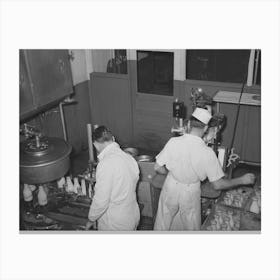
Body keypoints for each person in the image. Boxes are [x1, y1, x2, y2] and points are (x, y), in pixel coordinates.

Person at [153, 108, 256, 231]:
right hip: (189, 191)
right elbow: (218, 184)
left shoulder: (173, 142)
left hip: (170, 186)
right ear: (206, 129)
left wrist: (171, 173)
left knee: (163, 223)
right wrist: (242, 180)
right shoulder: (207, 153)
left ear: (189, 124)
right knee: (190, 226)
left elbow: (158, 167)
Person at [85, 126, 140, 231]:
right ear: (113, 139)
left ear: (95, 144)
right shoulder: (129, 158)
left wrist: (91, 219)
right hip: (132, 215)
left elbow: (101, 200)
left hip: (115, 223)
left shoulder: (105, 164)